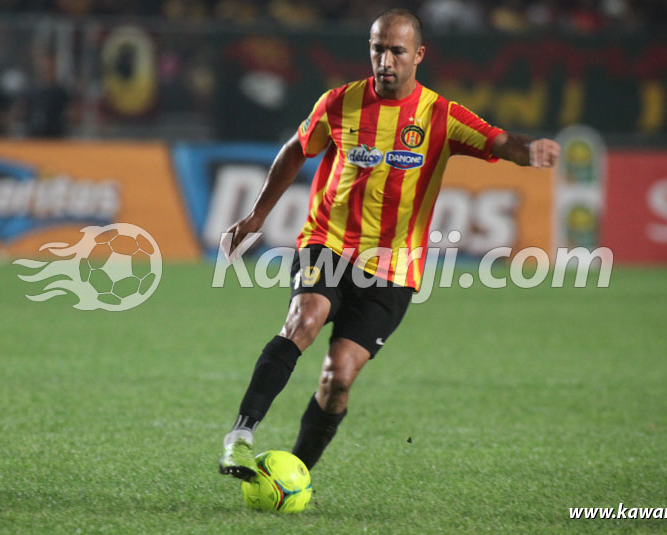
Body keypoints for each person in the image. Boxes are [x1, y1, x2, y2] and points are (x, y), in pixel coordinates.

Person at [218, 8, 560, 480]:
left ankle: (294, 476)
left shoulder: (440, 116)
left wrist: (529, 150)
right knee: (304, 318)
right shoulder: (340, 103)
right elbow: (297, 148)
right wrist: (257, 215)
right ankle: (239, 438)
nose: (385, 59)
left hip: (393, 269)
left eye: (397, 50)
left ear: (418, 55)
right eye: (378, 48)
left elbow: (500, 142)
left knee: (337, 379)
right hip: (328, 242)